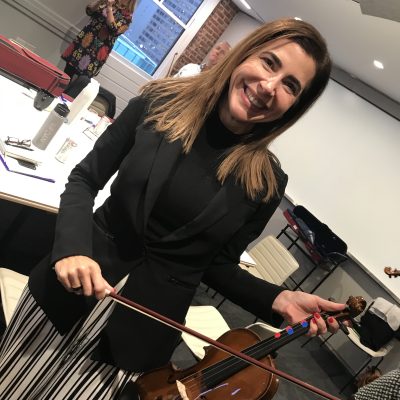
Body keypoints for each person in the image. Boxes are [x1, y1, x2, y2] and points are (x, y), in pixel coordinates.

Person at [0, 18, 347, 399]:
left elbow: (216, 265)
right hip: (64, 292)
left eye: (290, 86)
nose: (269, 86)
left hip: (136, 340)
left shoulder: (266, 184)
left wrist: (277, 298)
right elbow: (85, 179)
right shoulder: (158, 101)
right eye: (269, 63)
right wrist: (71, 249)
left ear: (293, 107)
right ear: (245, 55)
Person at [62, 0, 136, 82]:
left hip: (97, 50)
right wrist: (99, 1)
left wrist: (109, 8)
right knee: (66, 75)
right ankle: (56, 94)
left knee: (80, 81)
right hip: (83, 42)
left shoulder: (127, 15)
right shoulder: (109, 2)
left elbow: (114, 29)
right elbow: (89, 11)